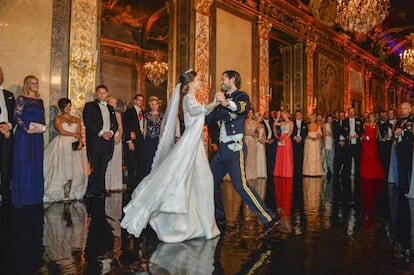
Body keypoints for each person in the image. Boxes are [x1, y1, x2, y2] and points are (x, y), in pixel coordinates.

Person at [121, 69, 220, 243]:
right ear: (189, 83)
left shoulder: (192, 98)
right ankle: (191, 224)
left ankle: (198, 223)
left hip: (194, 145)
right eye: (197, 80)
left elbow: (202, 112)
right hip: (189, 145)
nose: (200, 82)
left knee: (198, 181)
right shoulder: (189, 99)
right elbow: (199, 110)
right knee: (198, 179)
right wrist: (214, 102)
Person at [206, 70, 278, 233]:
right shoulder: (221, 100)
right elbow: (209, 120)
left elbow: (241, 108)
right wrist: (212, 105)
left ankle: (268, 217)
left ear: (232, 80)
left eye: (223, 79)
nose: (221, 82)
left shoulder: (241, 96)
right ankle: (219, 216)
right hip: (222, 149)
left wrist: (225, 103)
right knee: (209, 181)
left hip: (235, 149)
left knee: (241, 186)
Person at [43, 98, 89, 202]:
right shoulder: (58, 118)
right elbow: (61, 131)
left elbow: (79, 132)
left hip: (74, 144)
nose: (68, 108)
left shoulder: (77, 119)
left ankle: (71, 190)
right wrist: (74, 134)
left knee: (74, 168)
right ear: (61, 107)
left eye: (69, 106)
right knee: (62, 166)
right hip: (62, 144)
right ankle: (63, 191)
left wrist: (81, 143)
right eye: (66, 106)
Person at [12, 75, 45, 208]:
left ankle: (35, 197)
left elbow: (42, 118)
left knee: (36, 164)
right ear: (27, 85)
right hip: (24, 136)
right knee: (24, 165)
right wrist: (27, 129)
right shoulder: (21, 99)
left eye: (37, 83)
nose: (35, 85)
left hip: (37, 136)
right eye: (33, 83)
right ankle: (23, 197)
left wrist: (41, 128)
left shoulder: (40, 100)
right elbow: (16, 116)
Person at [83, 84, 118, 199]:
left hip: (108, 140)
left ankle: (101, 189)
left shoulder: (110, 108)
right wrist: (102, 133)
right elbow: (88, 122)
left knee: (103, 164)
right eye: (99, 92)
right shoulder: (89, 106)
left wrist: (111, 133)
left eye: (104, 92)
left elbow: (115, 124)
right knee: (95, 164)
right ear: (96, 94)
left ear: (107, 94)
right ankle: (93, 189)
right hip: (96, 140)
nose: (101, 94)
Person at [0, 66, 16, 206]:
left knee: (6, 165)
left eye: (1, 73)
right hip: (1, 129)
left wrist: (8, 127)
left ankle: (5, 195)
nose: (0, 76)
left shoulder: (9, 94)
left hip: (7, 133)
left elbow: (14, 115)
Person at [124, 94, 146, 190]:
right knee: (131, 162)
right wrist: (129, 141)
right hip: (132, 140)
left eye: (142, 100)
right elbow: (126, 127)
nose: (140, 102)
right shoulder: (129, 112)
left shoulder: (143, 113)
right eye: (138, 100)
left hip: (141, 140)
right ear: (134, 101)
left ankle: (139, 183)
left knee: (141, 161)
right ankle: (131, 184)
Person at [105, 96, 123, 192]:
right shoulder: (104, 113)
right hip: (107, 137)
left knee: (115, 159)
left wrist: (119, 137)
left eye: (114, 103)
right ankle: (106, 185)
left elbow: (120, 127)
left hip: (116, 138)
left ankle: (115, 185)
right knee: (107, 160)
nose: (113, 104)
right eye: (111, 102)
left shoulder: (117, 114)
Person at [394, 102, 413, 193]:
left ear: (410, 109)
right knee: (401, 166)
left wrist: (402, 132)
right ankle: (403, 186)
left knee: (410, 166)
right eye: (401, 108)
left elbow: (411, 132)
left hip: (409, 146)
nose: (402, 110)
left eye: (405, 108)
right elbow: (395, 132)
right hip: (400, 146)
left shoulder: (412, 120)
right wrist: (396, 135)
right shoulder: (398, 121)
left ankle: (411, 187)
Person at [359, 113, 385, 179]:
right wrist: (364, 137)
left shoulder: (376, 126)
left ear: (374, 118)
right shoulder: (365, 125)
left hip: (373, 143)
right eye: (370, 117)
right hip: (366, 143)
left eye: (372, 117)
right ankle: (365, 173)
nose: (371, 118)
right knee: (366, 157)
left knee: (373, 157)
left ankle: (373, 173)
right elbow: (362, 134)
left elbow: (377, 136)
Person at [143, 96, 164, 175]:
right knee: (148, 158)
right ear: (150, 105)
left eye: (155, 104)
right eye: (152, 104)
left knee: (157, 157)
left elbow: (162, 129)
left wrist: (161, 140)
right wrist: (144, 139)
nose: (154, 106)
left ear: (158, 105)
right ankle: (147, 175)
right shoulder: (147, 115)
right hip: (148, 139)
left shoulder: (161, 116)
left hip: (157, 139)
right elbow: (145, 128)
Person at [273, 110, 294, 177]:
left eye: (284, 114)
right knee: (280, 154)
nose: (283, 115)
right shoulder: (282, 122)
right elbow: (275, 124)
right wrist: (278, 116)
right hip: (281, 138)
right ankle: (280, 172)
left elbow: (290, 132)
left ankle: (287, 172)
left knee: (286, 155)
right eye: (282, 115)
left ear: (287, 115)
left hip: (287, 139)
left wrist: (284, 139)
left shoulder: (291, 122)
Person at [292, 110, 308, 176]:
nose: (298, 116)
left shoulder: (304, 124)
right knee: (294, 156)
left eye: (299, 114)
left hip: (301, 142)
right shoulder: (292, 123)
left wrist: (300, 137)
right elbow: (290, 131)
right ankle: (295, 171)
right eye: (297, 114)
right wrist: (295, 137)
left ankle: (300, 171)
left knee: (301, 156)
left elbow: (305, 132)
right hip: (294, 142)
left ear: (301, 115)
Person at [244, 108, 258, 179]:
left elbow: (257, 132)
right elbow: (244, 132)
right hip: (247, 139)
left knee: (252, 157)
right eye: (249, 112)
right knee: (246, 157)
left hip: (253, 141)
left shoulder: (255, 122)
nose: (250, 114)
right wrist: (251, 134)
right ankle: (245, 174)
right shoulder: (244, 121)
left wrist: (256, 134)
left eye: (251, 112)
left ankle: (252, 175)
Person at [256, 113, 267, 179]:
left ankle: (262, 173)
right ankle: (257, 173)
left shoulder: (262, 125)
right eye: (260, 117)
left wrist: (264, 140)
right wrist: (258, 139)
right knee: (257, 156)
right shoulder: (254, 124)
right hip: (256, 141)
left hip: (261, 142)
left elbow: (264, 134)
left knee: (261, 156)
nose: (261, 118)